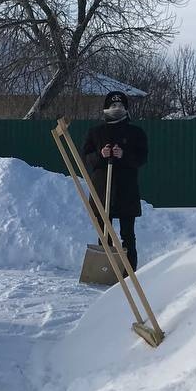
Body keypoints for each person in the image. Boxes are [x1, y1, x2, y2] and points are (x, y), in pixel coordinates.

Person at [81, 90, 148, 270]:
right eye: (113, 105)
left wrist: (124, 155)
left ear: (126, 109)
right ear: (106, 108)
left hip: (126, 190)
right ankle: (107, 270)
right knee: (104, 233)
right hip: (102, 189)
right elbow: (86, 158)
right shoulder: (96, 132)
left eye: (120, 106)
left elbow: (141, 158)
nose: (116, 109)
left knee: (128, 234)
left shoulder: (135, 132)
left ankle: (129, 271)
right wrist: (100, 155)